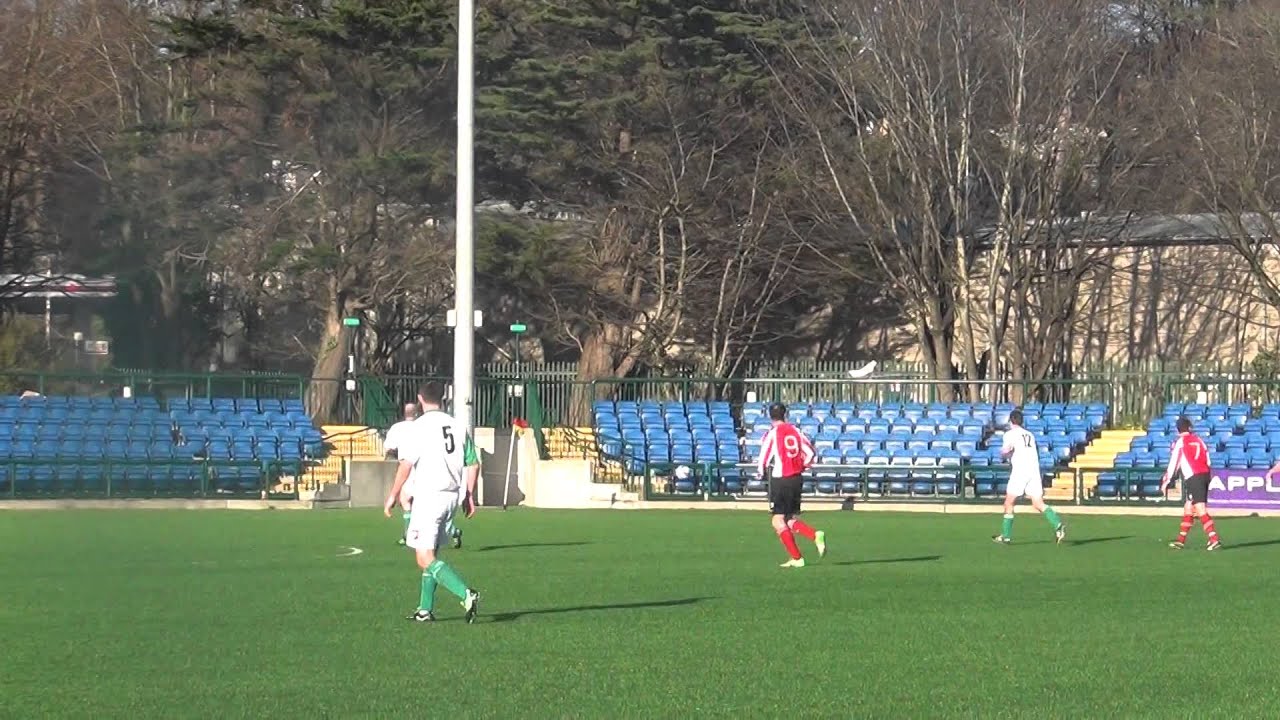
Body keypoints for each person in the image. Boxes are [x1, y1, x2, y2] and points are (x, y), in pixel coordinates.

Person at [384, 382, 481, 623]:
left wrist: (393, 495)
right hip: (451, 497)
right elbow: (473, 462)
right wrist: (469, 495)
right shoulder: (458, 426)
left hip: (429, 497)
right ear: (443, 399)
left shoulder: (418, 427)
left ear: (420, 399)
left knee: (424, 557)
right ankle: (424, 609)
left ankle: (466, 593)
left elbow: (405, 465)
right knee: (432, 552)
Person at [757, 402, 827, 568]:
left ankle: (797, 558)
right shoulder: (796, 431)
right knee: (788, 519)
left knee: (777, 520)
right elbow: (810, 453)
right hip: (797, 478)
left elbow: (764, 455)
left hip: (781, 479)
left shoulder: (773, 433)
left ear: (770, 416)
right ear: (785, 414)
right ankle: (814, 535)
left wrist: (760, 473)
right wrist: (802, 466)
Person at [992, 409, 1066, 545]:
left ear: (1010, 421)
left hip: (1020, 470)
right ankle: (1058, 524)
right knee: (1038, 503)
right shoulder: (1030, 434)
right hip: (1034, 470)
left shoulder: (1010, 434)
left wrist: (1002, 454)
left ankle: (1006, 536)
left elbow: (1006, 450)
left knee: (1009, 503)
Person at [1161, 416, 1221, 550]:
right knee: (1188, 507)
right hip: (1205, 474)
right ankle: (1180, 540)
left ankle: (1214, 538)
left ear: (1178, 430)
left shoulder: (1181, 442)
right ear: (1189, 428)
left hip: (1194, 477)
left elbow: (1174, 462)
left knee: (1200, 509)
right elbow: (1208, 459)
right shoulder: (1199, 440)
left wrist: (1166, 481)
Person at [384, 403, 420, 546]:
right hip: (423, 466)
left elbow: (388, 447)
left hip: (408, 466)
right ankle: (453, 530)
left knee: (405, 499)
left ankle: (408, 534)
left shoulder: (397, 428)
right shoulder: (422, 426)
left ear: (404, 413)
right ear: (416, 413)